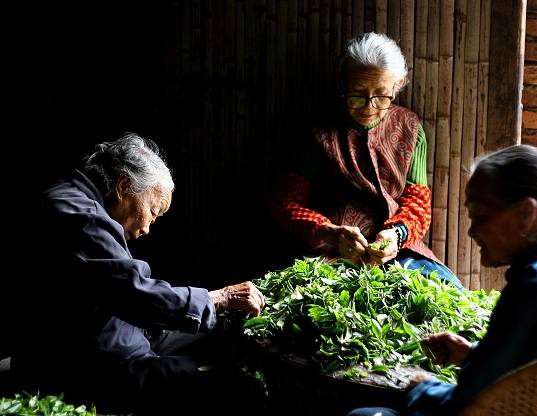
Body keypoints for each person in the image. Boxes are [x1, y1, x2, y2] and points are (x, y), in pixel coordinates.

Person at [10, 133, 266, 415]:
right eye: (152, 211)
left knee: (222, 329)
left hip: (123, 335)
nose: (147, 228)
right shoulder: (78, 216)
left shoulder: (79, 198)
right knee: (237, 382)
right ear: (123, 186)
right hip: (93, 366)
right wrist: (220, 297)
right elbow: (134, 292)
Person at [347, 144, 537, 416]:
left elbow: (468, 406)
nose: (471, 230)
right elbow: (533, 368)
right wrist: (473, 354)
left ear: (526, 214)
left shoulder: (534, 290)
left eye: (479, 215)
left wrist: (423, 389)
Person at [269, 32, 463, 289]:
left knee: (444, 295)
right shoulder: (317, 130)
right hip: (331, 250)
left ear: (398, 85)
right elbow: (284, 202)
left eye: (381, 95)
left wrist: (396, 235)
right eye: (357, 94)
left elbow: (418, 202)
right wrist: (328, 231)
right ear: (343, 82)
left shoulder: (410, 128)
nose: (368, 106)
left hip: (399, 250)